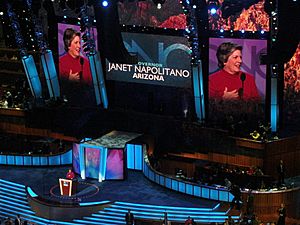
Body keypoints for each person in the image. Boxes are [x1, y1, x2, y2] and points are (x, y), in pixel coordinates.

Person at [59, 28, 94, 106]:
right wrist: (68, 79)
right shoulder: (61, 62)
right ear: (68, 45)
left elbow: (91, 85)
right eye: (76, 43)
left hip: (85, 104)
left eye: (79, 43)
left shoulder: (86, 62)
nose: (79, 46)